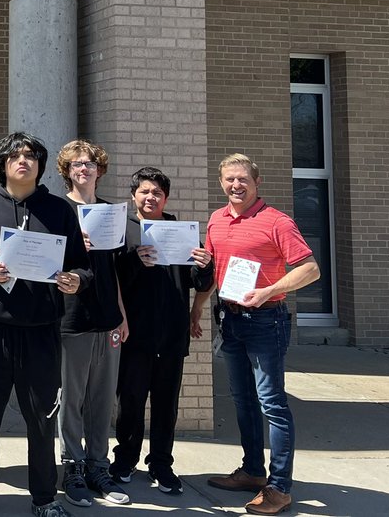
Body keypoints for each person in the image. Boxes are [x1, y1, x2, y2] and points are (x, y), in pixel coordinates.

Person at [0, 132, 91, 517]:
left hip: (41, 329)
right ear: (3, 163)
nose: (23, 160)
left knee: (42, 419)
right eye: (15, 155)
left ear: (40, 165)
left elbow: (81, 264)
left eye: (30, 156)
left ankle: (44, 498)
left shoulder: (59, 210)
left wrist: (76, 279)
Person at [194, 154, 319, 516]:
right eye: (230, 179)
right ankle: (252, 472)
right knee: (242, 399)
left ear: (256, 182)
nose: (236, 185)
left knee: (272, 404)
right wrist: (197, 308)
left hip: (267, 319)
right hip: (230, 319)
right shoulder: (217, 219)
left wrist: (267, 291)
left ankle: (279, 488)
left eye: (243, 179)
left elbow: (310, 269)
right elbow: (215, 268)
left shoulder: (277, 221)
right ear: (221, 183)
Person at [110, 167, 213, 494]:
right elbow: (113, 279)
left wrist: (205, 265)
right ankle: (125, 459)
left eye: (157, 192)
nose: (150, 197)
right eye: (144, 191)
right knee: (130, 402)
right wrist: (135, 260)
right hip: (135, 334)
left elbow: (201, 283)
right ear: (133, 195)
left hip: (171, 333)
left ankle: (161, 464)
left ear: (165, 198)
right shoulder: (123, 229)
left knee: (166, 404)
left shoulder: (180, 231)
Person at [55, 140, 130, 508]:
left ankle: (99, 466)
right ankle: (72, 466)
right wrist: (72, 246)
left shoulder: (110, 212)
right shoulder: (58, 210)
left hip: (107, 318)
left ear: (100, 170)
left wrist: (122, 315)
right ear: (66, 170)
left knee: (103, 399)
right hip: (71, 316)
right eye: (76, 164)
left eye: (90, 164)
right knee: (72, 398)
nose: (84, 169)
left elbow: (112, 270)